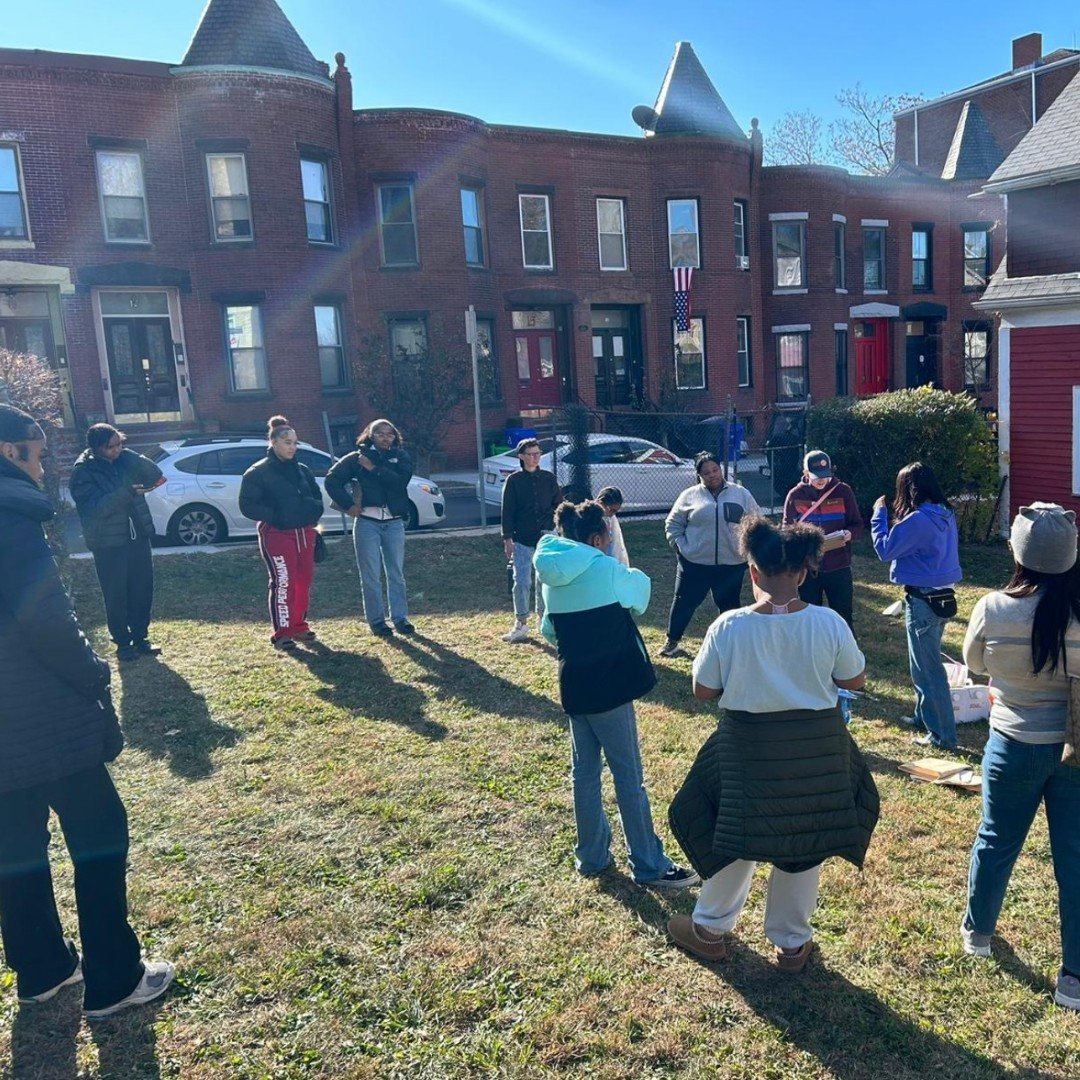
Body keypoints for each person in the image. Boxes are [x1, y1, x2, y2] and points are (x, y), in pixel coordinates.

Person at [0, 403, 174, 1017]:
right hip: (39, 712)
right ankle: (114, 977)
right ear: (8, 451)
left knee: (15, 845)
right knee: (101, 832)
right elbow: (44, 617)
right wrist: (95, 673)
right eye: (37, 451)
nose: (43, 464)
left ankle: (42, 967)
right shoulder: (10, 519)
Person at [666, 516, 877, 971]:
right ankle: (792, 943)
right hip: (817, 749)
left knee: (732, 833)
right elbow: (854, 679)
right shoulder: (829, 623)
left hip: (747, 748)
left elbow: (704, 690)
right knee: (803, 839)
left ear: (753, 572)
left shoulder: (729, 626)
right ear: (804, 573)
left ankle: (709, 929)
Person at [533, 499, 699, 890]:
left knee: (584, 775)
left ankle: (591, 856)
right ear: (596, 537)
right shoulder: (607, 568)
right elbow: (640, 595)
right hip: (610, 685)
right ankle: (649, 864)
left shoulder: (548, 573)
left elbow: (548, 630)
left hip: (572, 682)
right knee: (629, 776)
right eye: (608, 534)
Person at [961, 503, 1080, 1012]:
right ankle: (1073, 976)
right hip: (1075, 751)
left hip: (1012, 743)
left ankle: (979, 933)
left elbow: (972, 662)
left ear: (1017, 551)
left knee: (995, 841)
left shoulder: (993, 606)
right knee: (1074, 861)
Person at [870, 462, 962, 750]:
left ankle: (943, 736)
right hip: (942, 595)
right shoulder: (945, 514)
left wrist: (878, 514)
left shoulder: (919, 520)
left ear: (908, 489)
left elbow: (885, 549)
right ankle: (925, 717)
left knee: (928, 668)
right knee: (920, 665)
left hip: (922, 600)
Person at [69, 423, 164, 661]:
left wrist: (128, 454)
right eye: (111, 447)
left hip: (137, 536)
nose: (117, 450)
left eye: (120, 444)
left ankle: (141, 637)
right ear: (96, 448)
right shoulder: (83, 472)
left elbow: (154, 474)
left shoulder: (124, 459)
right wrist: (126, 492)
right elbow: (96, 509)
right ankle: (123, 643)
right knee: (116, 593)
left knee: (142, 589)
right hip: (108, 543)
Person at [661, 451, 760, 658]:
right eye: (706, 472)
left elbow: (756, 522)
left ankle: (729, 646)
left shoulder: (741, 494)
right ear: (699, 475)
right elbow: (673, 524)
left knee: (729, 605)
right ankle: (672, 642)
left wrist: (749, 549)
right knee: (684, 601)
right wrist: (679, 546)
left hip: (731, 563)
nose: (712, 475)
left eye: (715, 470)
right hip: (695, 563)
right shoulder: (689, 496)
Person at [239, 416, 325, 651]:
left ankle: (299, 625)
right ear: (274, 442)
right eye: (287, 442)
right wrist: (277, 516)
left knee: (303, 580)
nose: (292, 447)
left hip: (304, 533)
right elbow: (247, 505)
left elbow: (317, 497)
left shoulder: (303, 470)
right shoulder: (258, 472)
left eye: (295, 443)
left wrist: (313, 514)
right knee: (283, 582)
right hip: (276, 534)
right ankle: (282, 632)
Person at [325, 418, 415, 637]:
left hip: (394, 523)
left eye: (390, 434)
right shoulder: (357, 458)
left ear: (395, 437)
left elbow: (399, 483)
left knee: (396, 573)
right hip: (367, 524)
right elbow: (331, 480)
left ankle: (400, 618)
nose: (385, 438)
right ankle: (377, 621)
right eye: (380, 433)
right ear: (370, 435)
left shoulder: (400, 456)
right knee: (370, 575)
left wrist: (373, 468)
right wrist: (348, 506)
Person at [783, 450, 863, 634]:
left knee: (843, 615)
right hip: (809, 568)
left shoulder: (843, 491)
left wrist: (849, 534)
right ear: (805, 473)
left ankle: (846, 654)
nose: (822, 480)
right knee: (809, 616)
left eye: (826, 476)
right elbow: (787, 531)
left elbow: (858, 525)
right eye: (816, 476)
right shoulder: (795, 495)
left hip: (839, 566)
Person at [500, 437, 562, 643]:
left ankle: (543, 620)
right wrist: (507, 538)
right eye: (531, 454)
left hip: (546, 537)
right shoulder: (514, 480)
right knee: (521, 581)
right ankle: (521, 622)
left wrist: (555, 527)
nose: (536, 458)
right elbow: (507, 511)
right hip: (522, 538)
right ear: (521, 457)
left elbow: (558, 504)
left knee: (544, 580)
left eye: (538, 454)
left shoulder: (548, 478)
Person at [597, 486, 629, 567]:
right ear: (600, 503)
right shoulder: (593, 518)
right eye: (611, 510)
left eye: (616, 511)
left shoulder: (610, 518)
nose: (612, 514)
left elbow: (617, 545)